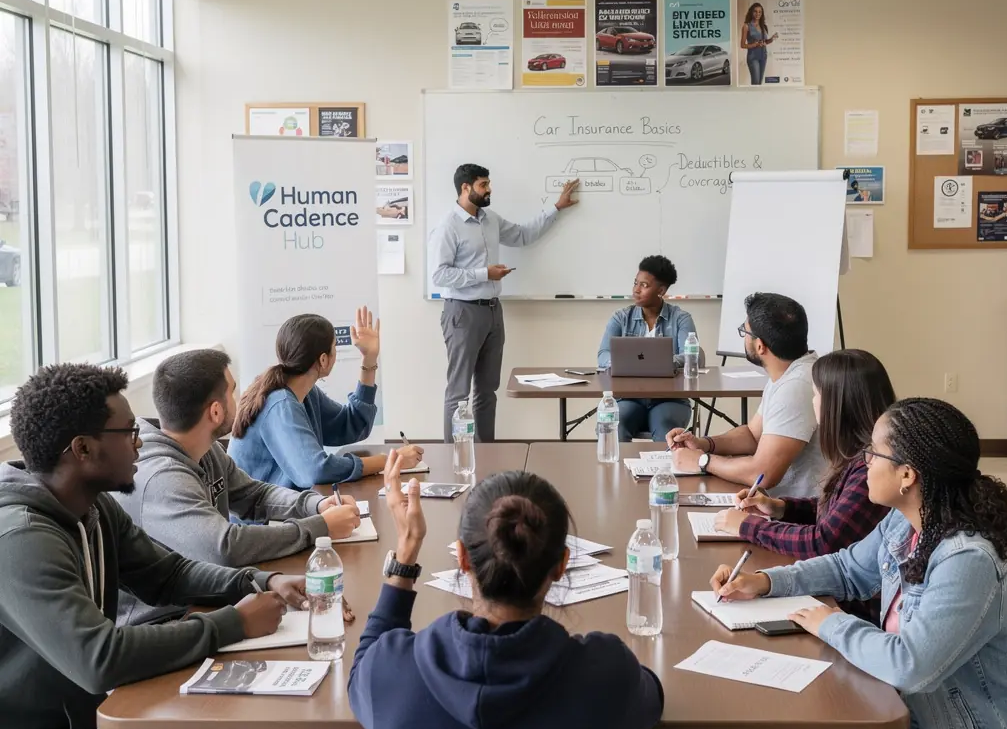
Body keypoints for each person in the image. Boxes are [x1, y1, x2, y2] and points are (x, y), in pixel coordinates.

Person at [0, 363, 345, 729]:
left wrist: (260, 581)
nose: (142, 439)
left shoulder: (93, 508)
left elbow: (169, 573)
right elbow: (99, 660)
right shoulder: (22, 539)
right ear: (83, 449)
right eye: (127, 431)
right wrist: (233, 622)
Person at [712, 397, 1007, 729]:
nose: (863, 462)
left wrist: (832, 624)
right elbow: (846, 568)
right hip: (924, 725)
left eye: (874, 453)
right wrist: (764, 581)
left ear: (907, 475)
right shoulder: (907, 522)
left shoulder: (968, 560)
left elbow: (911, 665)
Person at [348, 452, 664, 729]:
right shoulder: (604, 672)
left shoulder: (392, 670)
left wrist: (407, 552)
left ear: (462, 559)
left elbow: (360, 670)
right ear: (562, 564)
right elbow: (651, 702)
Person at [113, 348, 380, 729]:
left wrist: (317, 505)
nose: (242, 393)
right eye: (233, 388)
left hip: (203, 599)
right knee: (297, 635)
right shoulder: (161, 476)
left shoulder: (202, 450)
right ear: (216, 410)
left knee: (310, 617)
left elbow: (253, 495)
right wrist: (315, 528)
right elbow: (223, 547)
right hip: (164, 625)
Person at [712, 348, 895, 729]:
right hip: (849, 593)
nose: (812, 405)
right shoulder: (859, 458)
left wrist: (747, 527)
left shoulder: (873, 466)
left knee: (758, 620)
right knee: (755, 598)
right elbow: (829, 514)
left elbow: (825, 541)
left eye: (815, 396)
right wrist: (778, 508)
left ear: (836, 404)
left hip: (860, 613)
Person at [429, 162, 580, 442]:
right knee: (459, 391)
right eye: (483, 185)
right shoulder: (448, 226)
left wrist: (556, 208)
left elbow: (523, 235)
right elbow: (439, 274)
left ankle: (486, 450)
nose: (489, 190)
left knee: (488, 390)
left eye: (488, 184)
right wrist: (484, 273)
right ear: (466, 188)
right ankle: (453, 455)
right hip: (462, 313)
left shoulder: (491, 220)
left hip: (492, 311)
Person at [229, 307, 423, 488]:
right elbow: (316, 470)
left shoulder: (305, 393)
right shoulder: (280, 404)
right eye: (334, 347)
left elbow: (353, 425)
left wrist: (369, 358)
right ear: (323, 359)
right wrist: (391, 460)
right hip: (267, 522)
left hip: (290, 511)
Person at [668, 292, 826, 496]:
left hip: (797, 513)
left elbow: (763, 474)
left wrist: (701, 460)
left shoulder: (796, 386)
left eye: (745, 331)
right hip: (776, 503)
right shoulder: (790, 372)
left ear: (760, 346)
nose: (743, 336)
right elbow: (753, 435)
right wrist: (703, 444)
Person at [596, 255, 697, 443]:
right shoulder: (620, 318)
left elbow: (690, 356)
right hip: (627, 398)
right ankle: (616, 472)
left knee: (666, 429)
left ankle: (663, 473)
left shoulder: (681, 319)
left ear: (661, 290)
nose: (636, 290)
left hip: (669, 399)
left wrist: (664, 363)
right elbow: (603, 355)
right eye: (635, 283)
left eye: (644, 285)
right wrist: (620, 362)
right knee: (614, 425)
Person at [740, 1, 777, 85]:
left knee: (759, 83)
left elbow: (765, 42)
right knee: (755, 83)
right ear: (751, 12)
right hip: (753, 58)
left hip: (763, 56)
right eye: (755, 11)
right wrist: (755, 44)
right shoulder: (746, 26)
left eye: (760, 12)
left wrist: (771, 39)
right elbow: (742, 45)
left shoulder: (763, 26)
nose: (758, 14)